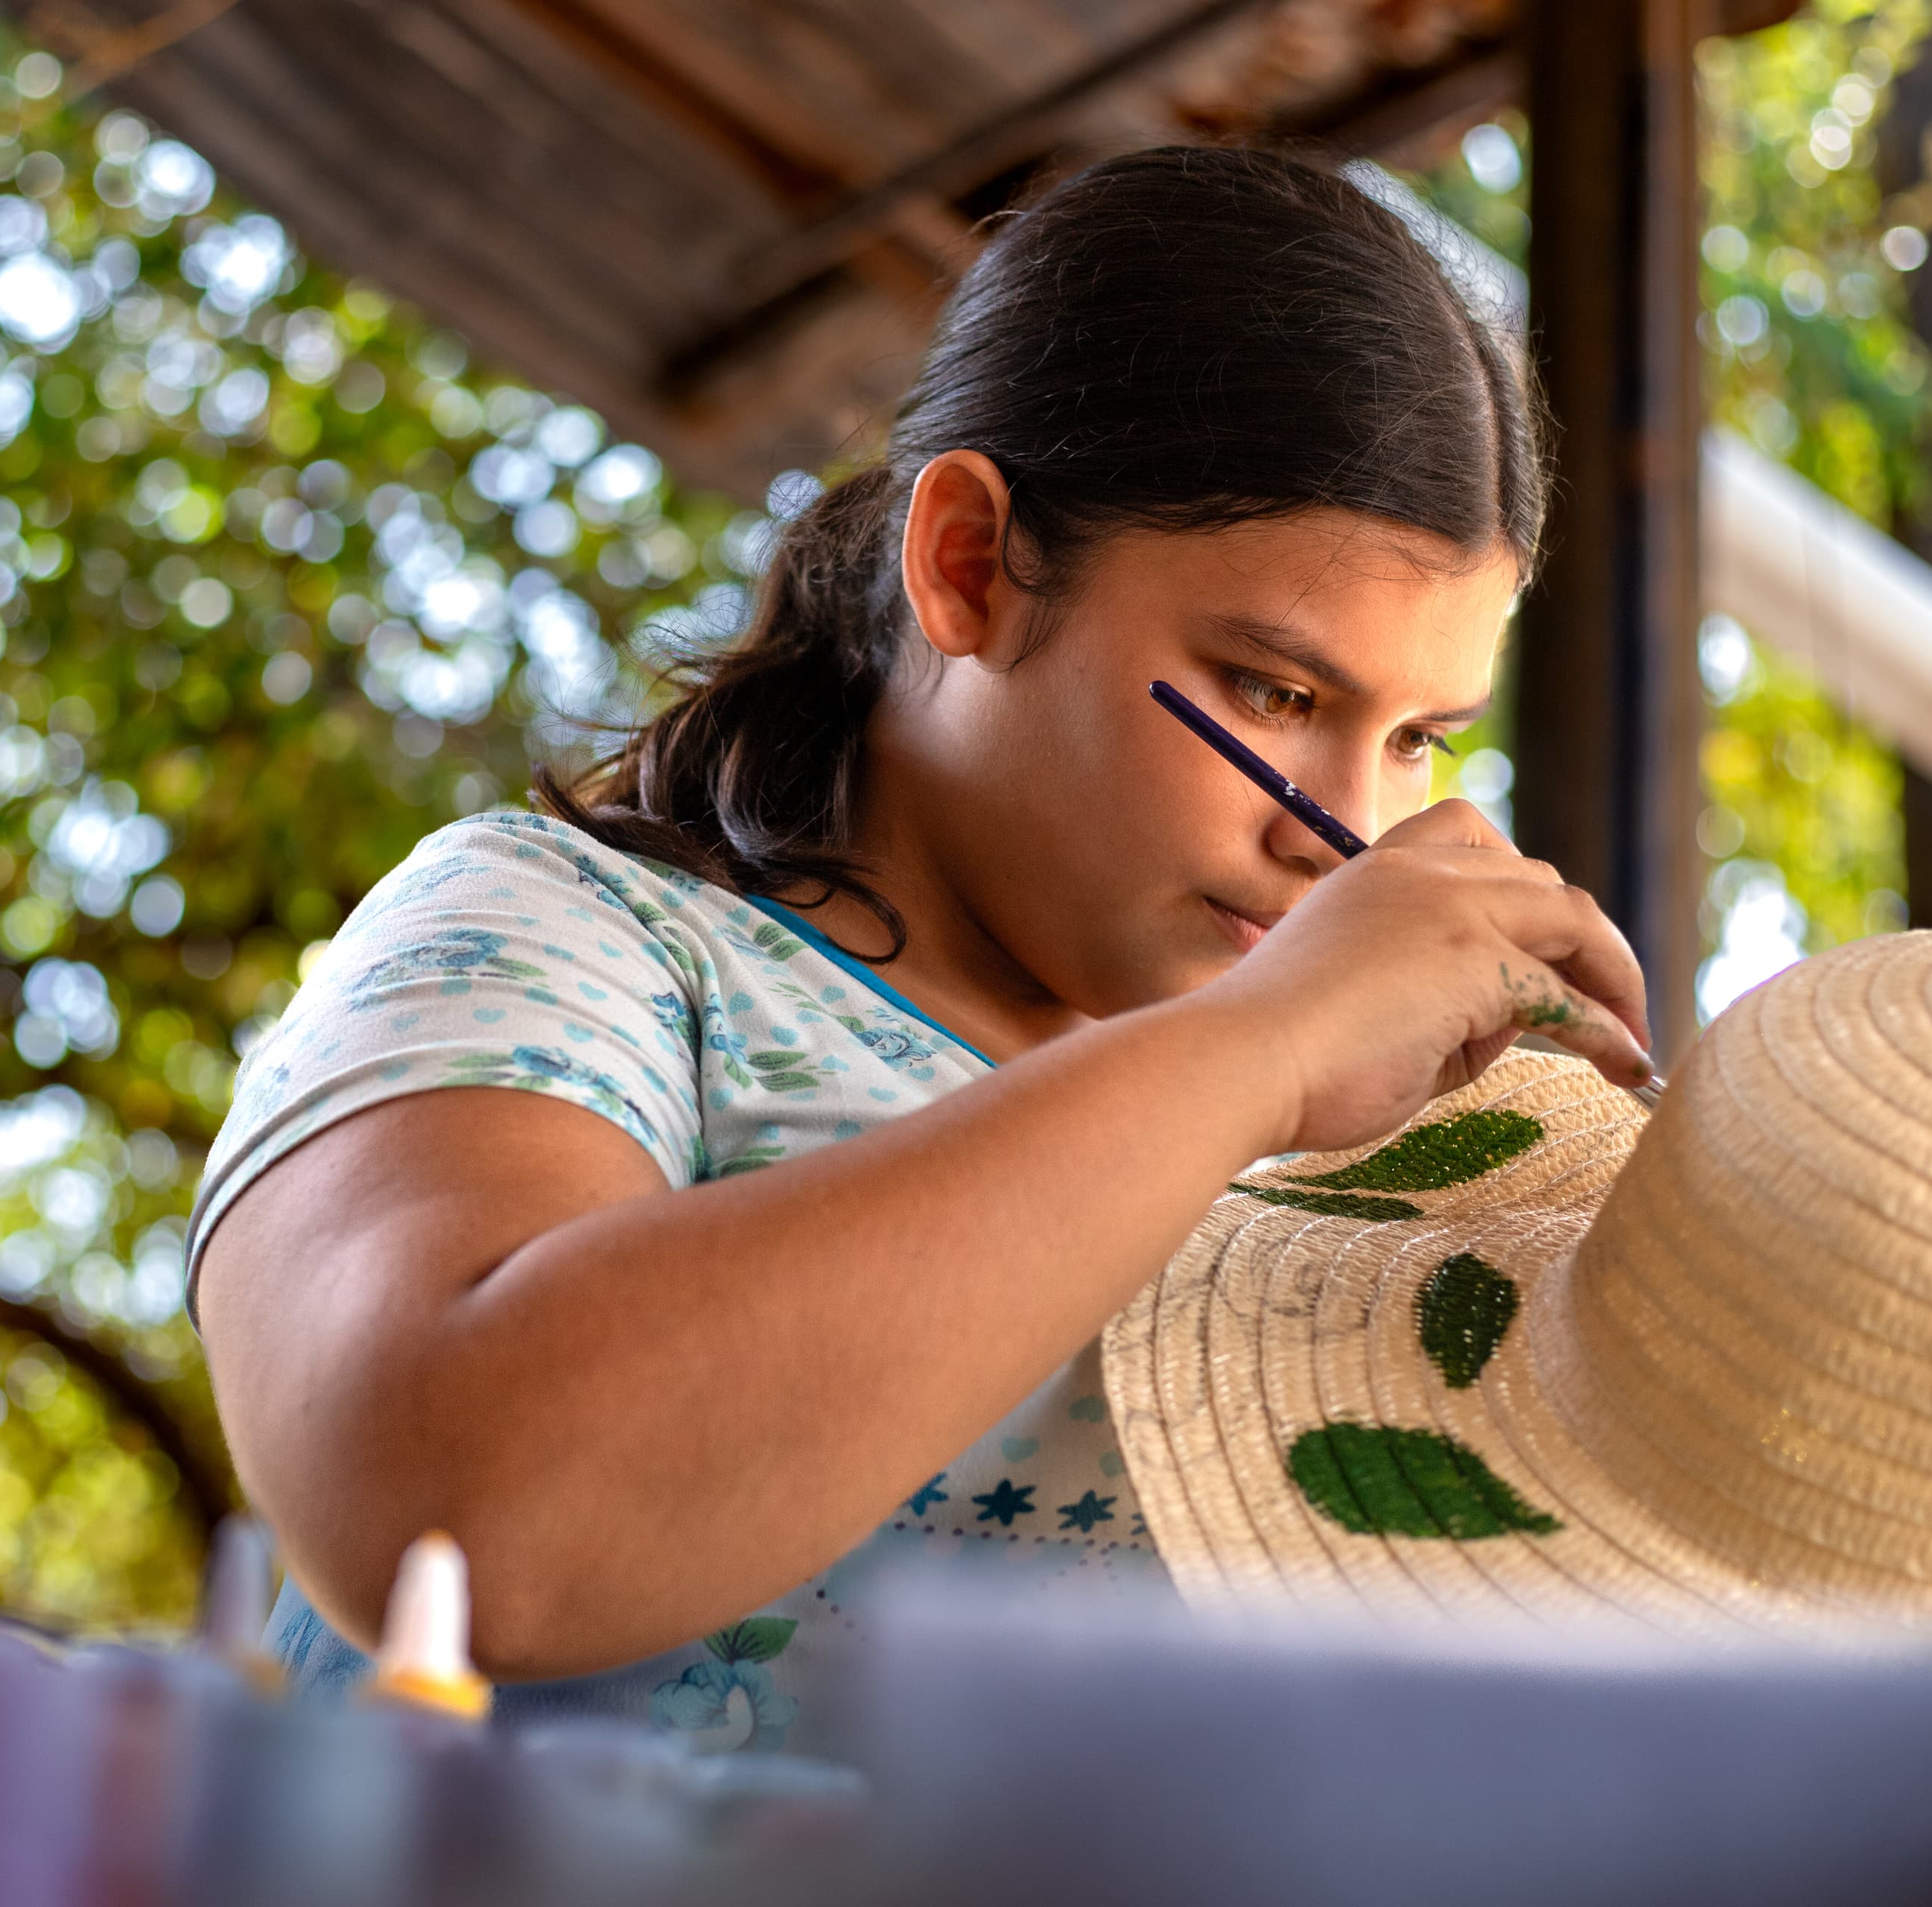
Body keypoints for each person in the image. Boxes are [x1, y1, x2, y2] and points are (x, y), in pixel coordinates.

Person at [191, 145, 1655, 1751]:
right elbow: (446, 1516)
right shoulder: (569, 935)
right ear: (969, 561)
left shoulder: (1367, 1179)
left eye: (1419, 739)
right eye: (1272, 693)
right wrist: (1260, 1048)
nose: (1340, 829)